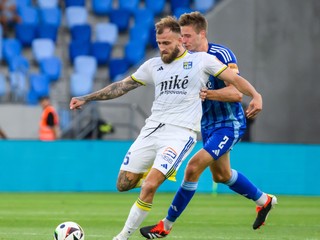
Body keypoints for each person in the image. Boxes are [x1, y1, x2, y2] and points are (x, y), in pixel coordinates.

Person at [69, 16, 262, 240]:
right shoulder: (153, 65)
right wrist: (87, 98)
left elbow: (235, 81)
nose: (162, 48)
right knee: (123, 184)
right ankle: (156, 173)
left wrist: (256, 96)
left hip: (180, 134)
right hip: (151, 129)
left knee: (150, 185)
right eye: (159, 43)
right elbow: (122, 86)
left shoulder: (201, 61)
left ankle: (122, 237)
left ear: (180, 40)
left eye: (167, 43)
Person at [140, 12, 277, 239]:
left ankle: (166, 225)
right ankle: (264, 200)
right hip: (206, 125)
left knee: (193, 167)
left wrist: (208, 93)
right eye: (181, 37)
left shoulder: (221, 55)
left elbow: (235, 93)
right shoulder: (184, 59)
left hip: (228, 123)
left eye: (187, 36)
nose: (183, 41)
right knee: (221, 176)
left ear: (202, 34)